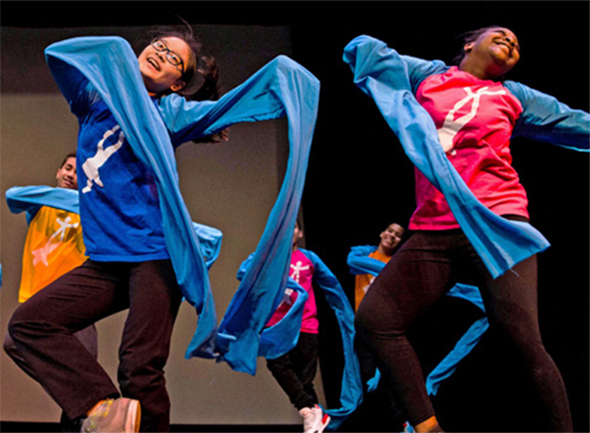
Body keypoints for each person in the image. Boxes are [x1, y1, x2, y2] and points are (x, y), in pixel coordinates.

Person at [7, 22, 319, 433]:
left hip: (156, 255)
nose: (161, 55)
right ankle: (101, 408)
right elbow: (58, 54)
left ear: (177, 84)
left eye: (175, 60)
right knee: (27, 327)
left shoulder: (169, 112)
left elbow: (225, 108)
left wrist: (284, 81)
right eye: (156, 46)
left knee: (140, 367)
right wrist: (115, 54)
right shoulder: (92, 99)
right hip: (107, 259)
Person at [344, 27, 589, 433]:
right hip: (435, 225)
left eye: (517, 43)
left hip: (498, 222)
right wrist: (362, 46)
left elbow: (573, 121)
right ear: (468, 44)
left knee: (523, 342)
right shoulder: (429, 76)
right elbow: (374, 55)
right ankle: (427, 428)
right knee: (375, 320)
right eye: (501, 35)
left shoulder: (515, 95)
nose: (512, 42)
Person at [3, 152, 98, 429]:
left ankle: (91, 406)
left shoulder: (92, 213)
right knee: (14, 343)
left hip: (74, 303)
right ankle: (83, 399)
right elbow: (14, 195)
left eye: (78, 172)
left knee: (84, 384)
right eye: (67, 168)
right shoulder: (40, 206)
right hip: (37, 302)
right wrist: (68, 197)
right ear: (58, 173)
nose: (70, 174)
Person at [262, 220, 330, 433]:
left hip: (306, 324)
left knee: (304, 380)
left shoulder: (309, 258)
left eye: (294, 227)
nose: (290, 231)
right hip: (278, 326)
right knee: (276, 363)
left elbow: (331, 283)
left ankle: (313, 415)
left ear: (300, 233)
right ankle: (309, 410)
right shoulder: (271, 258)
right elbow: (248, 271)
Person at [352, 222, 404, 311]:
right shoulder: (365, 255)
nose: (392, 235)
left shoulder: (398, 264)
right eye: (390, 231)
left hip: (382, 317)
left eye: (398, 235)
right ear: (382, 233)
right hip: (360, 317)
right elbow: (352, 260)